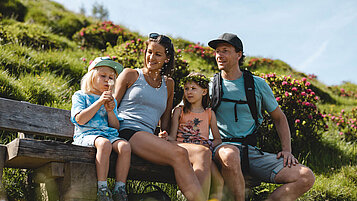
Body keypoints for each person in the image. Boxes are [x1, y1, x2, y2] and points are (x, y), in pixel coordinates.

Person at [207, 33, 315, 201]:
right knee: (230, 155)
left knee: (305, 176)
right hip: (221, 150)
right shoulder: (210, 86)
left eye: (225, 51)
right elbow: (184, 112)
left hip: (251, 153)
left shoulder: (257, 84)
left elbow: (279, 118)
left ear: (239, 55)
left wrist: (287, 150)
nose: (219, 55)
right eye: (217, 51)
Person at [114, 33, 205, 201]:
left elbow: (165, 118)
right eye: (149, 52)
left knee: (201, 152)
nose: (151, 57)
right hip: (127, 131)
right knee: (179, 154)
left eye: (157, 54)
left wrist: (164, 133)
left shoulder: (168, 84)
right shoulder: (130, 75)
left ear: (167, 58)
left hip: (148, 136)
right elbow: (111, 106)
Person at [71, 57, 131, 201]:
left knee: (125, 146)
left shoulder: (112, 100)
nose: (107, 80)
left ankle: (119, 189)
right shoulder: (81, 96)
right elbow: (80, 119)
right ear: (92, 77)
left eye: (111, 77)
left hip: (108, 135)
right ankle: (102, 188)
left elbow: (115, 127)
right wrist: (99, 102)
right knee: (104, 144)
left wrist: (110, 111)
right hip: (86, 134)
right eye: (102, 76)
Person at [160, 72, 224, 200]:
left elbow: (218, 139)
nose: (189, 92)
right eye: (186, 89)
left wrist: (210, 144)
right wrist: (166, 138)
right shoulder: (179, 111)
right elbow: (173, 137)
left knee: (219, 182)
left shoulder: (209, 113)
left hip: (204, 152)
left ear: (204, 92)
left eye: (193, 88)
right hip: (184, 149)